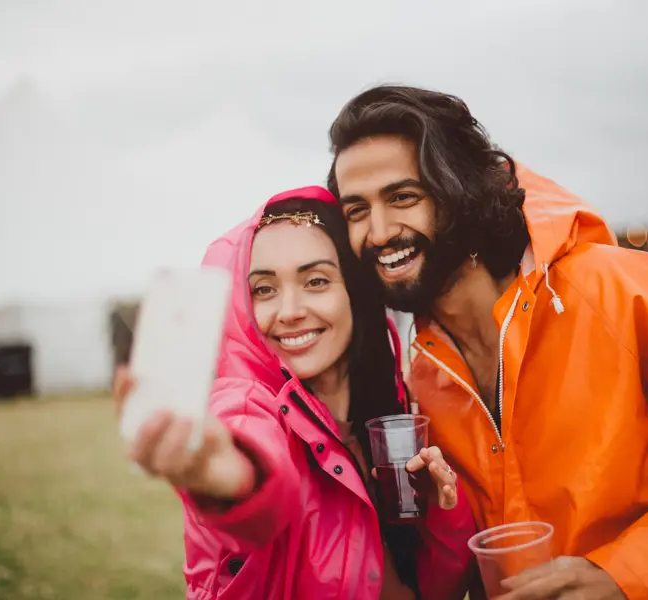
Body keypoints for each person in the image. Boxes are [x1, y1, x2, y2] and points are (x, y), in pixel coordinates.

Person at [325, 85, 648, 600]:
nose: (380, 231)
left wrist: (626, 575)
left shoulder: (615, 289)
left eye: (403, 197)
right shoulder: (426, 377)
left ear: (458, 191)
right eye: (356, 211)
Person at [112, 186, 475, 600]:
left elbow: (435, 591)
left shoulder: (388, 418)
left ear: (354, 293)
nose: (288, 310)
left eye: (315, 281)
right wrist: (232, 476)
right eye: (264, 289)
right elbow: (256, 467)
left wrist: (440, 513)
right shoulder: (246, 406)